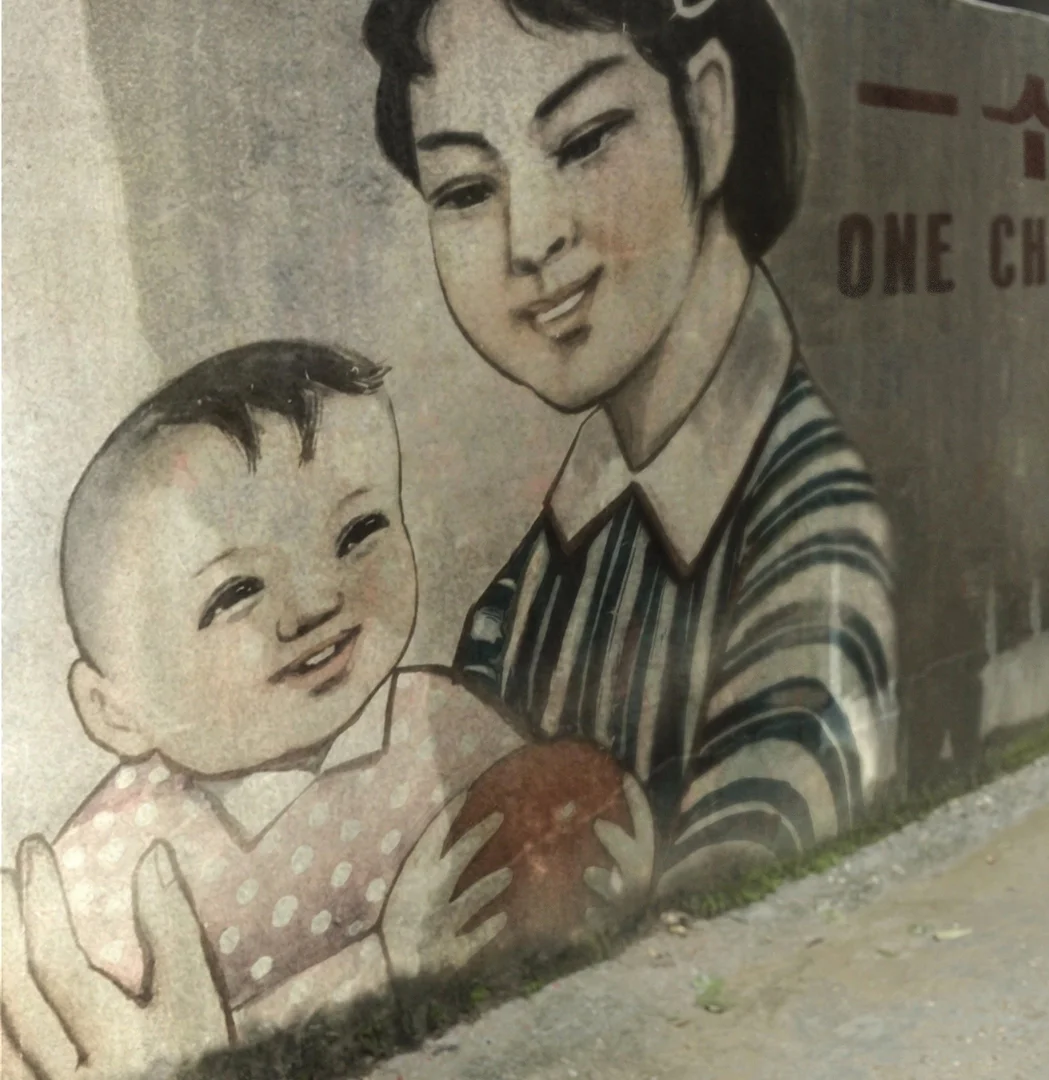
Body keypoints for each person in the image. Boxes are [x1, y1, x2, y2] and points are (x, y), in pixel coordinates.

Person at [361, 0, 899, 903]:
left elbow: (743, 887)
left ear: (709, 112)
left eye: (585, 141)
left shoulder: (814, 532)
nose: (530, 240)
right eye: (464, 191)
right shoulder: (541, 568)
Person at [3, 341, 652, 1068]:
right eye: (235, 592)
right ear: (114, 710)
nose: (316, 603)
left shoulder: (444, 723)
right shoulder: (109, 864)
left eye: (358, 533)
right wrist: (384, 969)